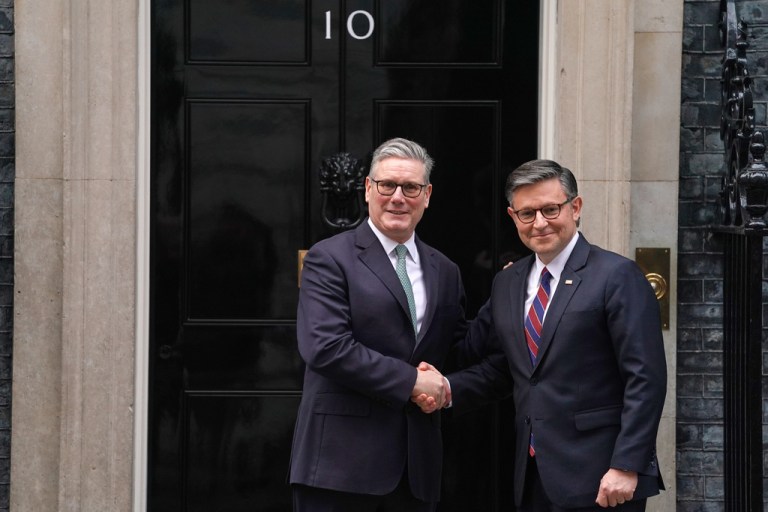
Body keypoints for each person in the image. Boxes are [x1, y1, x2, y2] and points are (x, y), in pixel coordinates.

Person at [419, 159, 667, 511]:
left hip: (602, 477)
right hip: (532, 474)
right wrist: (446, 389)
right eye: (527, 213)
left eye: (551, 209)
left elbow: (646, 378)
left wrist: (627, 464)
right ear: (512, 216)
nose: (539, 223)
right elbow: (505, 370)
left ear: (575, 207)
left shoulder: (617, 276)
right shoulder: (508, 282)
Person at [289, 137, 466, 512]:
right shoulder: (329, 258)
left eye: (411, 187)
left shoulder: (446, 271)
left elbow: (458, 349)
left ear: (427, 194)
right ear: (368, 189)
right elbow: (325, 347)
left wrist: (512, 294)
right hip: (339, 467)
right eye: (387, 185)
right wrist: (412, 381)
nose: (398, 197)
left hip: (415, 471)